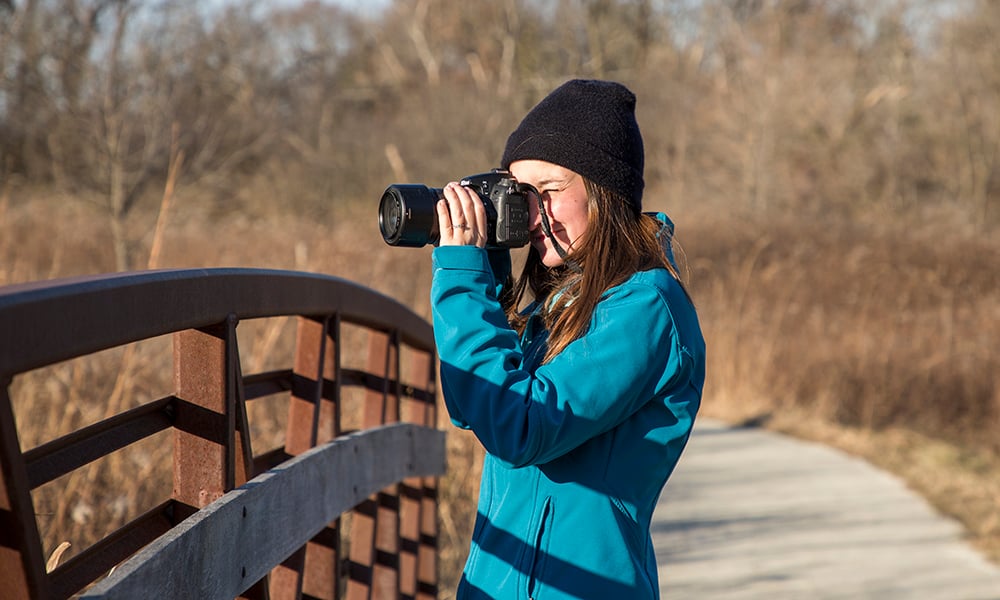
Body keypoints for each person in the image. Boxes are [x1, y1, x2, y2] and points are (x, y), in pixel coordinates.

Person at [430, 79, 705, 599]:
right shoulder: (557, 305)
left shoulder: (645, 308)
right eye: (518, 194)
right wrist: (487, 271)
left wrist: (461, 278)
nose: (532, 213)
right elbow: (473, 408)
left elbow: (521, 428)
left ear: (605, 191)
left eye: (549, 192)